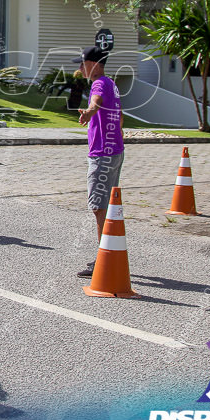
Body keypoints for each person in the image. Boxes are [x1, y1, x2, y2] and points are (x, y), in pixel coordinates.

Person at [73, 46, 124, 278]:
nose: (80, 68)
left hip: (102, 154)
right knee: (108, 206)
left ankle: (105, 259)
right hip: (115, 151)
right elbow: (120, 116)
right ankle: (111, 253)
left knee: (99, 208)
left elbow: (95, 102)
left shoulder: (99, 83)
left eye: (82, 63)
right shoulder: (112, 83)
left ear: (93, 64)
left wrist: (89, 113)